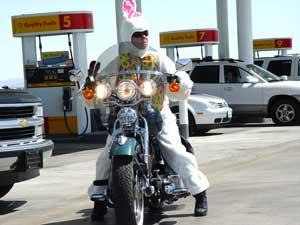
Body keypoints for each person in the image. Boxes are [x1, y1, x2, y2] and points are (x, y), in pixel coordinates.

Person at [87, 13, 209, 220]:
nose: (143, 38)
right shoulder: (118, 62)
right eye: (138, 34)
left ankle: (200, 193)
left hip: (157, 112)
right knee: (105, 155)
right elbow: (100, 81)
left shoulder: (158, 58)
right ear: (128, 37)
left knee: (175, 150)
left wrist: (176, 79)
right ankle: (99, 199)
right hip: (125, 112)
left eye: (145, 34)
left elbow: (179, 78)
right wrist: (92, 81)